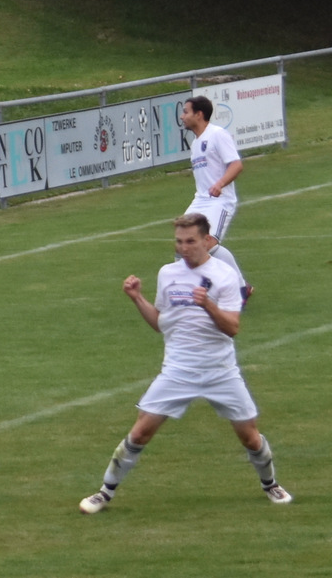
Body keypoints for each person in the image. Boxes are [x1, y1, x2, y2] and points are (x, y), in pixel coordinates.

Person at [78, 213, 292, 514]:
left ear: (206, 240)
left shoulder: (225, 275)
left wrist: (207, 304)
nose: (183, 248)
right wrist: (137, 298)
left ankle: (270, 484)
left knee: (250, 437)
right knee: (140, 432)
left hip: (220, 371)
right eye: (179, 242)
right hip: (178, 370)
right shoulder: (168, 274)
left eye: (190, 241)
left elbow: (232, 328)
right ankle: (104, 493)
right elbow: (160, 324)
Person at [180, 95, 252, 303]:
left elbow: (236, 165)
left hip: (220, 201)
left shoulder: (217, 134)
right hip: (200, 200)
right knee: (183, 243)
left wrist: (219, 184)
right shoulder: (195, 144)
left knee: (207, 244)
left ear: (199, 114)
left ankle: (240, 289)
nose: (182, 116)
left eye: (186, 112)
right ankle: (189, 292)